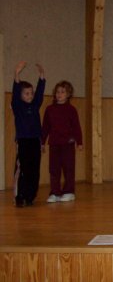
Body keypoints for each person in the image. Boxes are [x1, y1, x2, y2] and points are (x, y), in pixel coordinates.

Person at [11, 61, 46, 207]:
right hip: (24, 141)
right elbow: (15, 92)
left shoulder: (35, 105)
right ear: (20, 95)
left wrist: (42, 76)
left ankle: (30, 196)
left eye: (31, 93)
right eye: (26, 93)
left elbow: (39, 93)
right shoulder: (18, 106)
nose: (30, 95)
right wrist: (17, 74)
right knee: (23, 169)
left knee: (34, 169)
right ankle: (20, 196)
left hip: (35, 141)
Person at [42, 81, 83, 203]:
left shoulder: (71, 110)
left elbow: (76, 127)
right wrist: (42, 142)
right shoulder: (49, 109)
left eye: (63, 92)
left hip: (68, 143)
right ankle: (55, 192)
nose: (59, 94)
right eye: (58, 92)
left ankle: (69, 191)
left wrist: (79, 142)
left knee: (68, 168)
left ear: (68, 94)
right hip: (54, 143)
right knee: (54, 169)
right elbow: (45, 127)